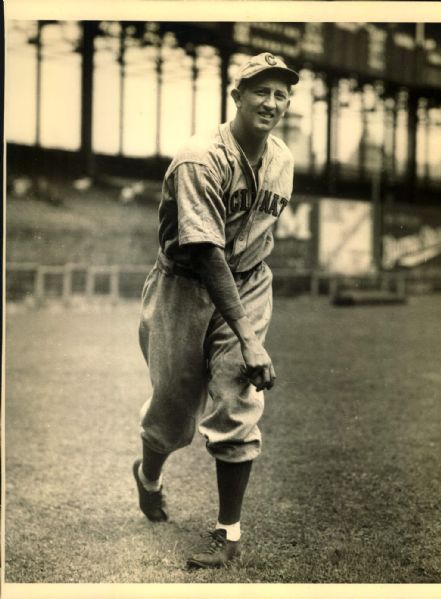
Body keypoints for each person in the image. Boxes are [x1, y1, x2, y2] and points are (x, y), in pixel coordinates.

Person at [133, 52, 299, 569]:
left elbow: (254, 240)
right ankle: (149, 475)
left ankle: (228, 532)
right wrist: (250, 337)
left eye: (280, 93)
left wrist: (246, 334)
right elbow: (205, 253)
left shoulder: (283, 161)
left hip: (247, 284)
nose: (271, 102)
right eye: (260, 91)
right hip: (183, 286)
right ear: (237, 97)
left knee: (235, 399)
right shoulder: (200, 158)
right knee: (174, 409)